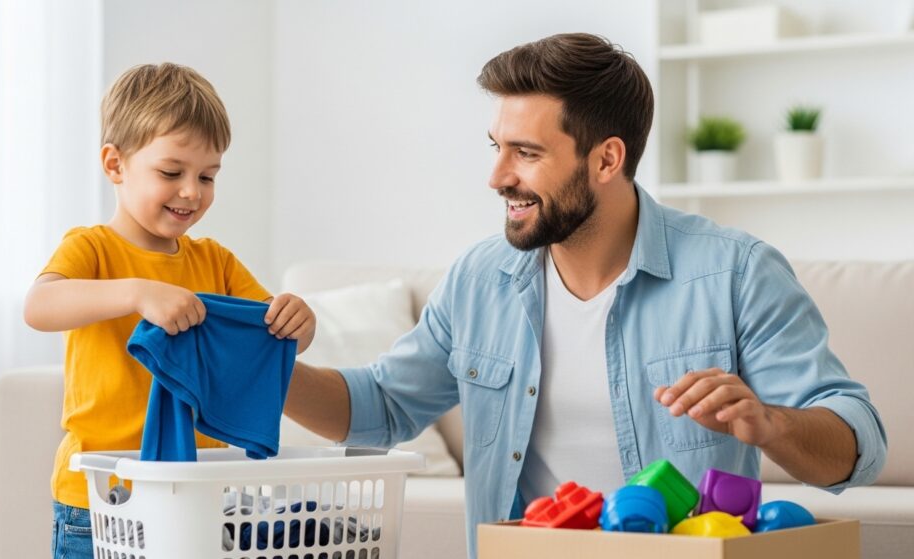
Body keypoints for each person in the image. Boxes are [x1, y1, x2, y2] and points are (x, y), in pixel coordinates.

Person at [282, 33, 886, 558]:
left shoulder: (735, 272)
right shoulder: (479, 279)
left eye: (527, 152)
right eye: (497, 147)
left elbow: (858, 446)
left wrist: (773, 423)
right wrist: (248, 366)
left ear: (607, 159)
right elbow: (381, 407)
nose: (497, 176)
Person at [24, 63, 317, 559]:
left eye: (207, 175)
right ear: (115, 165)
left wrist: (297, 321)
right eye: (171, 172)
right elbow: (40, 305)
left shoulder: (215, 261)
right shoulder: (91, 249)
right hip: (103, 499)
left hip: (201, 490)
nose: (192, 191)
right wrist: (136, 293)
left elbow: (274, 332)